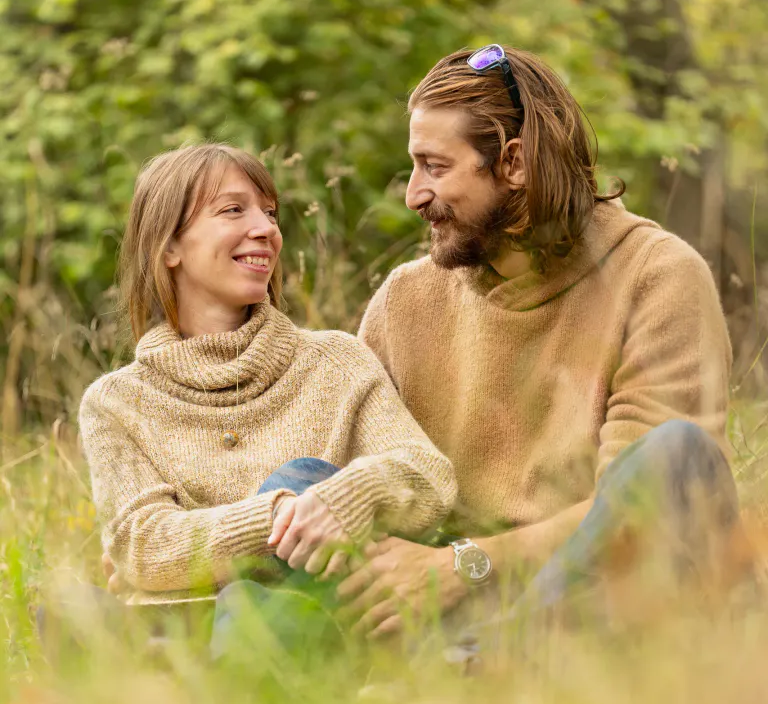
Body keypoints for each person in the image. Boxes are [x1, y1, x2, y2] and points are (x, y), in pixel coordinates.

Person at [341, 44, 746, 638]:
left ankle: (504, 663)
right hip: (435, 601)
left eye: (434, 166)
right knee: (302, 487)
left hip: (589, 599)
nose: (412, 195)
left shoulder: (656, 277)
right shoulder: (406, 299)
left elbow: (637, 512)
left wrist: (468, 564)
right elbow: (369, 488)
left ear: (514, 164)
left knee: (675, 455)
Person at [77, 143, 456, 652]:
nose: (266, 229)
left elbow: (429, 478)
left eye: (270, 212)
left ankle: (183, 665)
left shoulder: (335, 362)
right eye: (234, 210)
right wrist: (278, 514)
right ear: (169, 246)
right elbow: (142, 546)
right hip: (195, 630)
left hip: (326, 626)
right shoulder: (116, 402)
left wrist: (346, 496)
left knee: (307, 477)